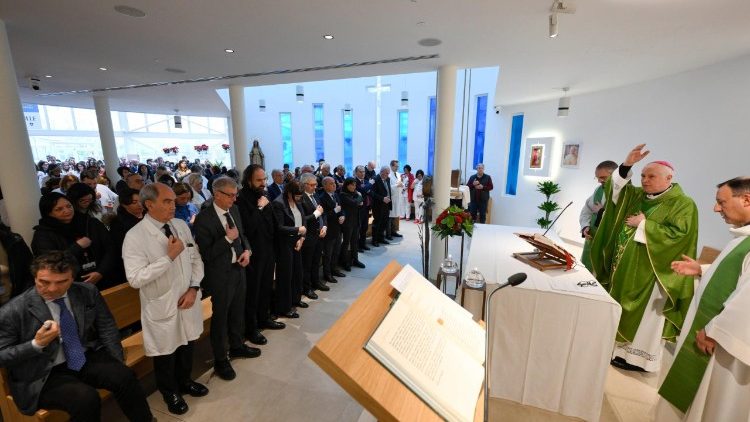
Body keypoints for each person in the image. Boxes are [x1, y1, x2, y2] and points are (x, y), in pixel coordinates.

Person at [0, 251, 153, 422]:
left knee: (124, 376)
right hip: (43, 372)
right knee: (86, 399)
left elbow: (106, 326)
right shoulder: (12, 311)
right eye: (44, 282)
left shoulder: (86, 291)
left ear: (72, 278)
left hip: (81, 356)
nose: (52, 289)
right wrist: (36, 344)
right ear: (35, 277)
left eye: (61, 282)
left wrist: (117, 360)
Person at [591, 144, 698, 372]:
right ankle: (619, 352)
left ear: (669, 178)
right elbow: (615, 191)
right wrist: (626, 165)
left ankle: (639, 360)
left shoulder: (683, 204)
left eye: (651, 176)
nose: (645, 180)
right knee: (622, 308)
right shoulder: (638, 195)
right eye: (642, 175)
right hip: (625, 267)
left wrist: (644, 225)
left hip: (653, 272)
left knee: (647, 317)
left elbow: (679, 236)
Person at [653, 176, 750, 421]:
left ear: (747, 200)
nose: (716, 208)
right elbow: (737, 278)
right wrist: (702, 270)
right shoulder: (743, 237)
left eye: (722, 202)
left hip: (726, 343)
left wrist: (714, 329)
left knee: (715, 403)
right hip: (717, 334)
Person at [122, 183, 208, 415]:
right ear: (149, 205)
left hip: (188, 298)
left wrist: (193, 287)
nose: (173, 205)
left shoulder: (180, 225)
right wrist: (168, 258)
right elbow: (136, 278)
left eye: (173, 201)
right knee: (166, 353)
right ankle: (169, 392)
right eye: (167, 201)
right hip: (162, 304)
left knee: (188, 344)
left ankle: (185, 381)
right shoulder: (135, 236)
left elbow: (195, 259)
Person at [193, 176, 258, 381]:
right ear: (217, 194)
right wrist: (227, 239)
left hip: (238, 269)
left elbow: (242, 236)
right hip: (219, 275)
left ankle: (237, 345)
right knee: (221, 318)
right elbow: (207, 253)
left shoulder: (234, 210)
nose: (234, 199)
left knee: (238, 311)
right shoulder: (204, 219)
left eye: (235, 195)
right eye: (230, 195)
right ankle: (221, 359)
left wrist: (247, 251)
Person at [236, 165, 285, 348]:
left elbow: (272, 222)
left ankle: (264, 318)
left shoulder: (264, 195)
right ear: (248, 180)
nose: (263, 183)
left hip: (268, 249)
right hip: (253, 252)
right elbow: (248, 227)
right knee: (253, 291)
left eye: (264, 179)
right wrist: (260, 207)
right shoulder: (242, 199)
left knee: (266, 287)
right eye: (259, 180)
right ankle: (251, 328)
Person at [31, 192, 117, 290]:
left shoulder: (90, 222)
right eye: (59, 209)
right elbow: (49, 264)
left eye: (69, 206)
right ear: (48, 213)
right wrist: (77, 247)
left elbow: (111, 249)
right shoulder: (43, 234)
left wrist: (101, 272)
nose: (67, 211)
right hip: (70, 285)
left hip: (105, 277)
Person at [271, 179, 307, 317]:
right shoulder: (279, 203)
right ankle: (284, 307)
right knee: (286, 276)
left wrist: (302, 237)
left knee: (298, 272)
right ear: (290, 192)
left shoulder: (297, 201)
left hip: (297, 240)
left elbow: (303, 219)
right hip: (284, 243)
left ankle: (295, 300)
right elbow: (279, 228)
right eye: (297, 196)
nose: (299, 199)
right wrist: (298, 230)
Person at [579, 160, 618, 272]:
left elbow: (621, 216)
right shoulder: (598, 190)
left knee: (602, 270)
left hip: (608, 239)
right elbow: (587, 209)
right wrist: (585, 226)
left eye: (603, 177)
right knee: (587, 269)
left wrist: (601, 211)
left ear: (615, 175)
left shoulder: (624, 193)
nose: (599, 181)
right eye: (597, 177)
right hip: (593, 235)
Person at [299, 173, 328, 297]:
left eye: (315, 184)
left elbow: (323, 213)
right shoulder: (300, 198)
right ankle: (307, 288)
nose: (315, 187)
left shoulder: (315, 195)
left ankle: (316, 282)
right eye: (312, 185)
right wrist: (316, 214)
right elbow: (302, 219)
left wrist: (324, 226)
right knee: (307, 263)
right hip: (308, 235)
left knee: (316, 261)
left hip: (319, 234)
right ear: (304, 184)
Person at [108, 188, 143, 285]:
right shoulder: (118, 223)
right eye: (134, 202)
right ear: (124, 204)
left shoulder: (149, 215)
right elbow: (122, 247)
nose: (139, 205)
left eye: (141, 201)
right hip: (132, 264)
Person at [319, 176, 346, 284]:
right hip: (329, 230)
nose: (334, 185)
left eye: (334, 183)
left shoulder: (336, 195)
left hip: (337, 228)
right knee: (328, 254)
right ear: (325, 185)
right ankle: (327, 274)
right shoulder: (322, 197)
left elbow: (341, 209)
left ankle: (334, 269)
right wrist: (335, 211)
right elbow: (323, 215)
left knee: (336, 251)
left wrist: (342, 216)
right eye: (331, 183)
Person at [339, 177, 365, 271]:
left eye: (355, 185)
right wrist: (359, 198)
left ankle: (355, 259)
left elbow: (360, 204)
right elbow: (355, 203)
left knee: (355, 242)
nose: (354, 187)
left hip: (355, 220)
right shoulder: (343, 194)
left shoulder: (354, 193)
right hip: (347, 222)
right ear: (347, 185)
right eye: (352, 185)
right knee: (346, 242)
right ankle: (344, 261)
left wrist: (359, 201)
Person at [372, 166, 393, 247]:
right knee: (377, 222)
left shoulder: (387, 179)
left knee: (384, 222)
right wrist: (382, 198)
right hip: (378, 205)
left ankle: (381, 238)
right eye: (387, 173)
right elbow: (372, 194)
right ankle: (375, 240)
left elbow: (388, 190)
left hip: (386, 204)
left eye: (388, 173)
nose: (388, 175)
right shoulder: (375, 179)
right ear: (382, 172)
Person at [354, 165, 373, 252]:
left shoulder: (366, 181)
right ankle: (357, 246)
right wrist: (369, 186)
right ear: (356, 172)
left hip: (366, 207)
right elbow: (362, 190)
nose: (362, 173)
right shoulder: (354, 181)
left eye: (364, 171)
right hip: (359, 208)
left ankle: (363, 244)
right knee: (358, 228)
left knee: (365, 227)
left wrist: (367, 188)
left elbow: (369, 190)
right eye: (360, 172)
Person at [387, 160, 403, 239]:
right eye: (395, 166)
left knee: (395, 217)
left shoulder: (398, 174)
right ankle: (388, 234)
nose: (397, 168)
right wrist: (397, 185)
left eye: (397, 166)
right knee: (390, 217)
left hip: (398, 197)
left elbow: (400, 183)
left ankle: (394, 231)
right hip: (392, 198)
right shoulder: (389, 175)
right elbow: (389, 187)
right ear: (391, 166)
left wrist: (401, 184)